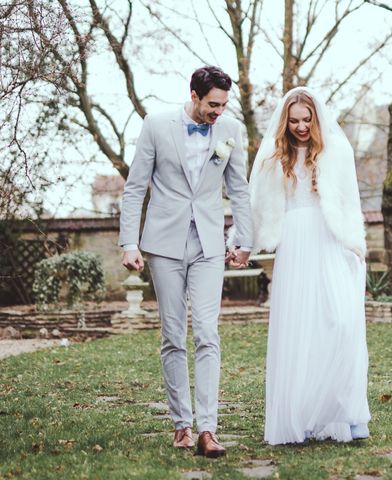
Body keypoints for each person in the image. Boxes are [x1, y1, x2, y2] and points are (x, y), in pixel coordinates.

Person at [118, 66, 252, 458]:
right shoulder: (157, 125)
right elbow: (134, 188)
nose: (219, 112)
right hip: (163, 244)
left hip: (210, 244)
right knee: (173, 335)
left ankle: (208, 429)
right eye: (213, 104)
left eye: (224, 105)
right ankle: (182, 425)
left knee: (207, 333)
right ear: (194, 95)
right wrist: (130, 243)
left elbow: (239, 190)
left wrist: (243, 239)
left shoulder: (230, 131)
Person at [240, 86, 371, 444]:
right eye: (294, 120)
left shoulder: (336, 150)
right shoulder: (271, 154)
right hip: (295, 242)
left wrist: (354, 243)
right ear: (285, 121)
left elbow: (349, 202)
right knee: (299, 328)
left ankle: (339, 412)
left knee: (339, 322)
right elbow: (256, 205)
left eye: (306, 119)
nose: (300, 126)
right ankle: (298, 416)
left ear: (316, 118)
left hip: (329, 238)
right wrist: (243, 244)